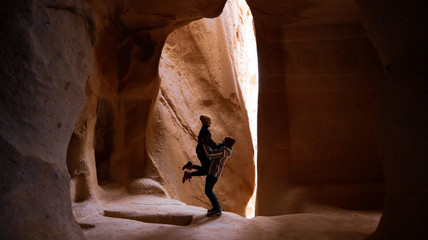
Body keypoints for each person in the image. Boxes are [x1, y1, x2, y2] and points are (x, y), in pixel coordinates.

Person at [203, 136, 235, 217]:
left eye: (224, 140)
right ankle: (216, 208)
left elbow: (209, 154)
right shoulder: (223, 149)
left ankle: (217, 209)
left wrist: (205, 144)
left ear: (226, 143)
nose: (222, 141)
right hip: (213, 173)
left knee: (208, 191)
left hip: (214, 173)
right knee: (208, 190)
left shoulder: (223, 151)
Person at [182, 115, 217, 183]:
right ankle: (189, 172)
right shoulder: (205, 130)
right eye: (210, 122)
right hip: (202, 151)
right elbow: (209, 141)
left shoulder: (204, 129)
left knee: (206, 169)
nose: (211, 123)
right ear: (206, 122)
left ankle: (190, 167)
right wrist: (217, 146)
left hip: (201, 150)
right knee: (207, 170)